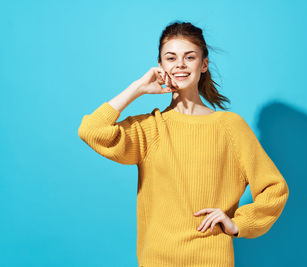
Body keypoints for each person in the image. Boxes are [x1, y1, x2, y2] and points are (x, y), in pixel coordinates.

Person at [78, 21, 289, 267]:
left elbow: (274, 189)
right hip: (157, 260)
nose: (180, 64)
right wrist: (137, 89)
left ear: (204, 64)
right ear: (160, 66)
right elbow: (91, 130)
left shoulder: (230, 127)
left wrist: (238, 223)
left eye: (189, 57)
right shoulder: (150, 128)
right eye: (171, 58)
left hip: (213, 259)